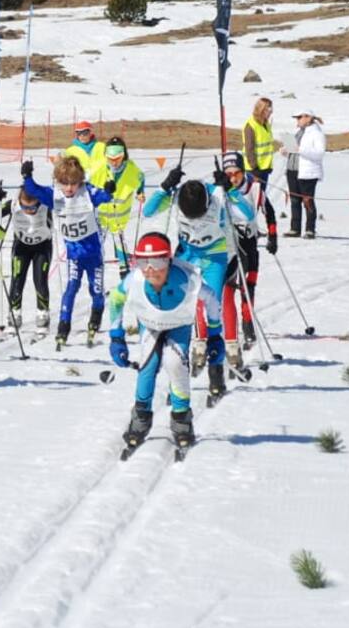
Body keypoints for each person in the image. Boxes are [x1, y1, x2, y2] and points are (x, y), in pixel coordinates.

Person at [142, 161, 253, 401]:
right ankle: (178, 377)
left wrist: (231, 190)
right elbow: (148, 211)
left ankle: (216, 373)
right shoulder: (177, 195)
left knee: (212, 309)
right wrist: (164, 187)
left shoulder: (217, 195)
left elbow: (248, 215)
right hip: (187, 256)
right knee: (183, 311)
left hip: (214, 258)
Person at [108, 231, 200, 454]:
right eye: (143, 261)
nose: (150, 269)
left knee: (175, 364)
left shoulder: (185, 278)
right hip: (150, 325)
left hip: (178, 325)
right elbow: (115, 299)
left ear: (168, 259)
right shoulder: (135, 278)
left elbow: (211, 299)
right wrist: (116, 336)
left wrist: (215, 335)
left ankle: (181, 419)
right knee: (147, 367)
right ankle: (140, 418)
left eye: (157, 261)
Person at [23, 154, 112, 349]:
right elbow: (33, 190)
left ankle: (95, 319)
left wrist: (109, 189)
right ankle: (63, 327)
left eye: (73, 183)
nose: (69, 188)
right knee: (71, 289)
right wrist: (27, 175)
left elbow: (105, 196)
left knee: (96, 290)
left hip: (93, 255)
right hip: (74, 255)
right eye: (64, 183)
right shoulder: (54, 195)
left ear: (80, 181)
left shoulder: (87, 192)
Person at [221, 150, 261, 357]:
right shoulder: (219, 191)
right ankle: (227, 333)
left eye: (236, 173)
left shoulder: (252, 187)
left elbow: (264, 211)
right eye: (228, 174)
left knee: (248, 286)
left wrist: (272, 235)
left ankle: (247, 323)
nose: (233, 178)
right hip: (229, 247)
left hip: (249, 243)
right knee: (227, 289)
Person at [89, 136, 145, 276]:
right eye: (110, 159)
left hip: (119, 219)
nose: (114, 162)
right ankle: (94, 272)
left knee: (120, 243)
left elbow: (140, 179)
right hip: (100, 217)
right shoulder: (98, 167)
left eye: (117, 159)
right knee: (97, 245)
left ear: (124, 156)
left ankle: (125, 274)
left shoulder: (132, 170)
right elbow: (87, 182)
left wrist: (140, 192)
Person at [4, 184, 53, 332]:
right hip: (21, 246)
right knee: (17, 279)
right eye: (26, 208)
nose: (30, 212)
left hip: (42, 246)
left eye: (33, 208)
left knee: (40, 280)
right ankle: (15, 313)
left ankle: (43, 313)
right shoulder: (13, 204)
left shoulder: (45, 203)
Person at [242, 97, 280, 254]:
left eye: (270, 108)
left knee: (257, 201)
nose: (270, 111)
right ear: (260, 109)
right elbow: (250, 149)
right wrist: (254, 169)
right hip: (254, 170)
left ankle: (254, 228)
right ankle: (250, 228)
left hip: (264, 169)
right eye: (267, 108)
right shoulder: (251, 125)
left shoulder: (266, 124)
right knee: (256, 200)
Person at [283, 110, 325, 238]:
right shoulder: (298, 133)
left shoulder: (317, 134)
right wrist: (286, 151)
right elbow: (295, 150)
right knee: (295, 200)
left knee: (307, 201)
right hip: (292, 170)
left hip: (307, 172)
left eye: (299, 117)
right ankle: (295, 228)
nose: (297, 120)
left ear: (308, 118)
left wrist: (299, 149)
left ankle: (310, 229)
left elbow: (319, 153)